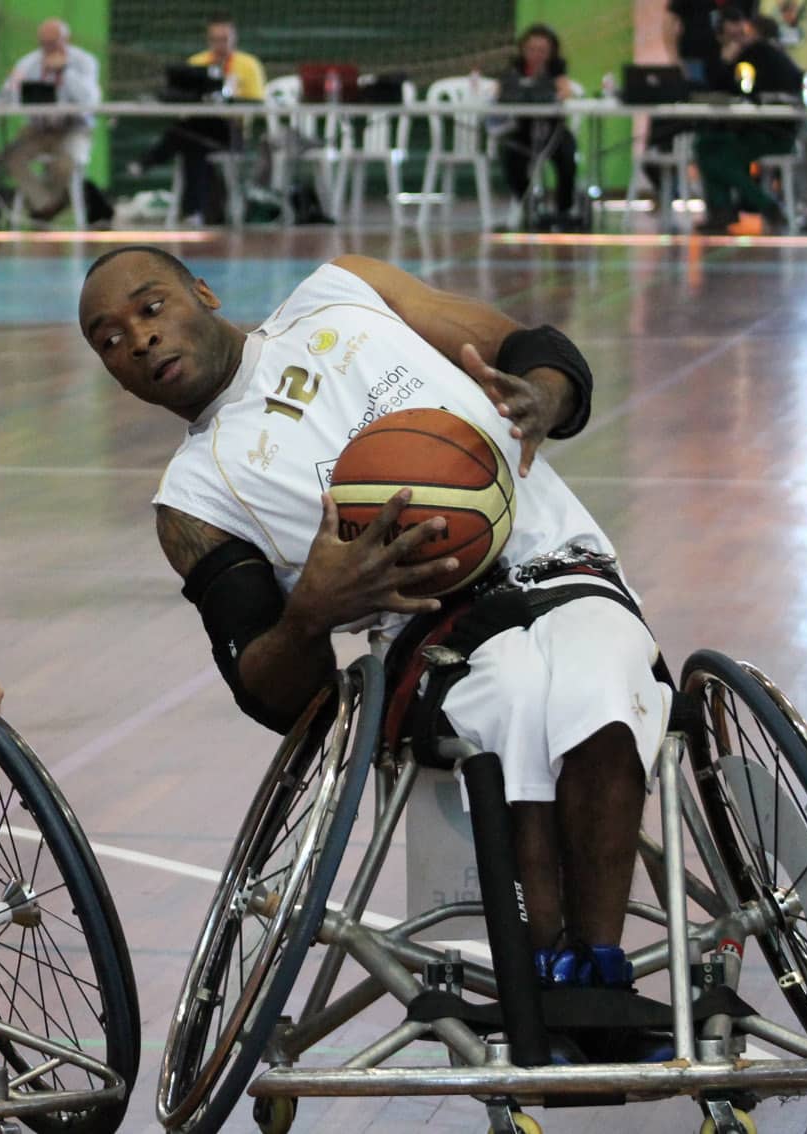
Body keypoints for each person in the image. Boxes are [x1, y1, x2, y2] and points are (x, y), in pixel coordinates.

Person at [79, 246, 671, 1016]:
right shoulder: (193, 503)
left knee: (598, 684)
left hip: (561, 564)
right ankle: (548, 979)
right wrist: (312, 612)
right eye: (109, 339)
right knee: (516, 700)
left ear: (203, 290)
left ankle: (598, 966)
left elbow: (527, 350)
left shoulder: (342, 290)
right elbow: (267, 691)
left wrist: (544, 397)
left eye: (150, 308)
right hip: (434, 632)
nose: (138, 339)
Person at [128, 14, 266, 226]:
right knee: (194, 145)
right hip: (199, 130)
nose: (220, 44)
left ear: (234, 38)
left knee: (186, 135)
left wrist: (230, 97)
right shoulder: (196, 63)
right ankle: (193, 215)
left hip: (231, 132)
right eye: (215, 39)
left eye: (225, 39)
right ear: (208, 39)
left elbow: (257, 104)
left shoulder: (248, 65)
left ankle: (149, 161)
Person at [695, 4, 803, 233]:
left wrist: (728, 61)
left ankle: (765, 206)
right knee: (704, 145)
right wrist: (726, 61)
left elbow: (730, 88)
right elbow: (726, 89)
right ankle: (723, 211)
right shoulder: (743, 54)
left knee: (718, 157)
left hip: (773, 132)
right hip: (757, 128)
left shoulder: (760, 53)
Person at [1, 19, 102, 222]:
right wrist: (14, 85)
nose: (48, 48)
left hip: (74, 127)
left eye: (53, 42)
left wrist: (65, 71)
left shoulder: (84, 62)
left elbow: (90, 100)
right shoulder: (29, 63)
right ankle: (47, 204)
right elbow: (7, 95)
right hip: (39, 129)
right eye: (43, 43)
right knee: (11, 158)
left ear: (66, 40)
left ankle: (45, 207)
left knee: (68, 161)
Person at [493, 24, 579, 231]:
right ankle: (527, 205)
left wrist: (557, 92)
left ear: (551, 52)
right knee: (510, 155)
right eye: (532, 49)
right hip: (522, 131)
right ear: (523, 49)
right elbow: (497, 92)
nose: (537, 54)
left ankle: (563, 211)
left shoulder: (557, 68)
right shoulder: (513, 69)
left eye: (542, 50)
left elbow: (566, 90)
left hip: (553, 131)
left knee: (567, 157)